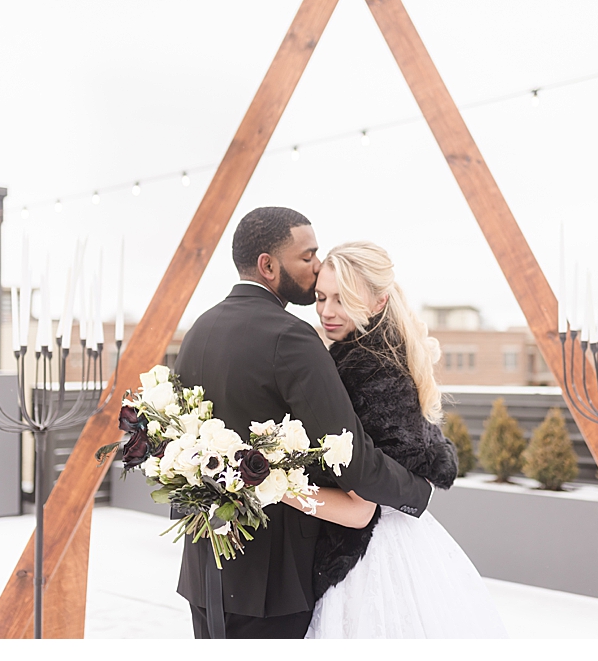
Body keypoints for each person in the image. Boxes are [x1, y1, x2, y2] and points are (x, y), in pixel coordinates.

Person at [172, 207, 433, 639]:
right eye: (307, 256)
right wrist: (416, 490)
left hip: (205, 572)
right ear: (268, 265)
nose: (316, 267)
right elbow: (349, 458)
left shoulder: (200, 329)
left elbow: (183, 446)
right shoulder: (291, 337)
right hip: (272, 584)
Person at [281, 241, 509, 639]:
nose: (327, 311)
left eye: (343, 299)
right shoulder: (362, 356)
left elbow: (359, 509)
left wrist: (274, 484)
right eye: (321, 297)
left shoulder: (374, 372)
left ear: (378, 301)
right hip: (378, 540)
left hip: (371, 554)